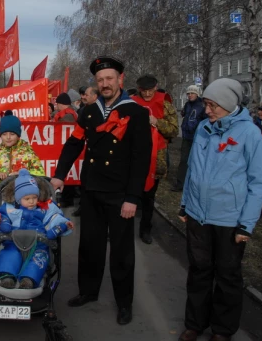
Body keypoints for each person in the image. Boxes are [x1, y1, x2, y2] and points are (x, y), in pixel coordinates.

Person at [51, 56, 152, 325]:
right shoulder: (89, 111)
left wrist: (133, 197)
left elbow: (141, 159)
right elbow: (74, 144)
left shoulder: (137, 113)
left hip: (120, 194)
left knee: (121, 252)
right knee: (90, 246)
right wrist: (60, 175)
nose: (105, 84)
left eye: (109, 78)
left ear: (121, 79)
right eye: (100, 80)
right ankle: (88, 291)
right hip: (93, 188)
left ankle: (124, 303)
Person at [177, 78, 262, 341]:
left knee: (227, 276)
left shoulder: (250, 134)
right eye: (206, 104)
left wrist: (246, 225)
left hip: (230, 221)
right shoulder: (205, 129)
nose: (207, 110)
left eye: (211, 105)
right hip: (198, 217)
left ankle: (223, 329)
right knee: (199, 271)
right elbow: (192, 170)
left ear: (228, 104)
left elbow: (259, 183)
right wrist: (185, 205)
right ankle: (195, 323)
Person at [0, 169, 74, 289]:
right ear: (18, 199)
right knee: (9, 255)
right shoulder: (9, 209)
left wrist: (63, 225)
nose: (31, 201)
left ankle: (28, 279)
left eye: (34, 197)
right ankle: (7, 277)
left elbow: (55, 217)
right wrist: (1, 223)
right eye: (27, 198)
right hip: (13, 243)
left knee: (39, 259)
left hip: (38, 244)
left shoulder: (45, 208)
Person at [131, 74, 178, 244]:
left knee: (149, 197)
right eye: (144, 91)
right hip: (133, 156)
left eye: (150, 90)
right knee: (128, 194)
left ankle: (145, 230)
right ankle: (122, 229)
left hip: (156, 158)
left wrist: (156, 122)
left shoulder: (165, 104)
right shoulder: (131, 103)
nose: (148, 94)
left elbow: (173, 130)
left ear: (156, 87)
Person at [0, 115, 45, 187]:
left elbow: (41, 176)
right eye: (4, 134)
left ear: (18, 135)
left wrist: (23, 174)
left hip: (24, 196)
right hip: (0, 196)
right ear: (0, 135)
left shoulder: (28, 153)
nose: (8, 137)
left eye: (12, 134)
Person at [171, 85, 207, 192]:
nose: (190, 95)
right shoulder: (187, 105)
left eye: (192, 93)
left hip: (197, 138)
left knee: (196, 162)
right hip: (186, 137)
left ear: (197, 94)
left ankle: (194, 185)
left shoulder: (202, 106)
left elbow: (205, 122)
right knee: (183, 161)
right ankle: (180, 184)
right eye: (188, 93)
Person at [72, 86, 99, 217]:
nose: (83, 97)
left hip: (100, 158)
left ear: (95, 96)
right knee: (85, 181)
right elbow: (77, 134)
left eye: (86, 95)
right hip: (86, 153)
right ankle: (83, 207)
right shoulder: (84, 110)